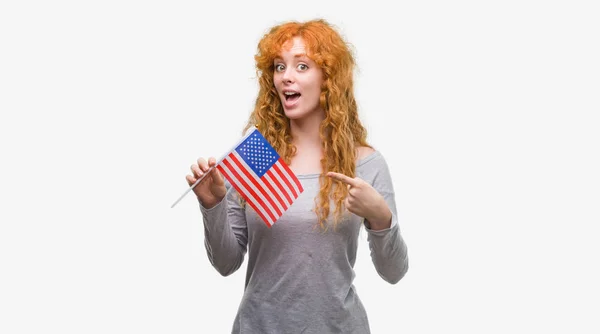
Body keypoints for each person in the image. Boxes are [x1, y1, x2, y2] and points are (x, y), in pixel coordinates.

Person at [186, 19, 409, 334]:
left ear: (329, 78)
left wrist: (382, 218)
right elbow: (227, 263)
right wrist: (212, 206)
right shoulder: (256, 159)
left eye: (302, 66)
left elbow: (394, 272)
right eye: (279, 67)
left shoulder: (365, 164)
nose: (286, 77)